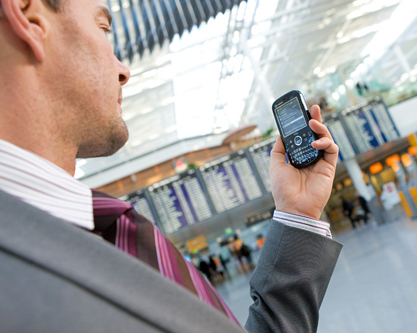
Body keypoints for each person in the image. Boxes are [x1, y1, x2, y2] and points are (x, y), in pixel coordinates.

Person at [0, 0, 342, 331]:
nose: (124, 71)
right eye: (102, 27)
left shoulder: (86, 230)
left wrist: (298, 214)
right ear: (29, 18)